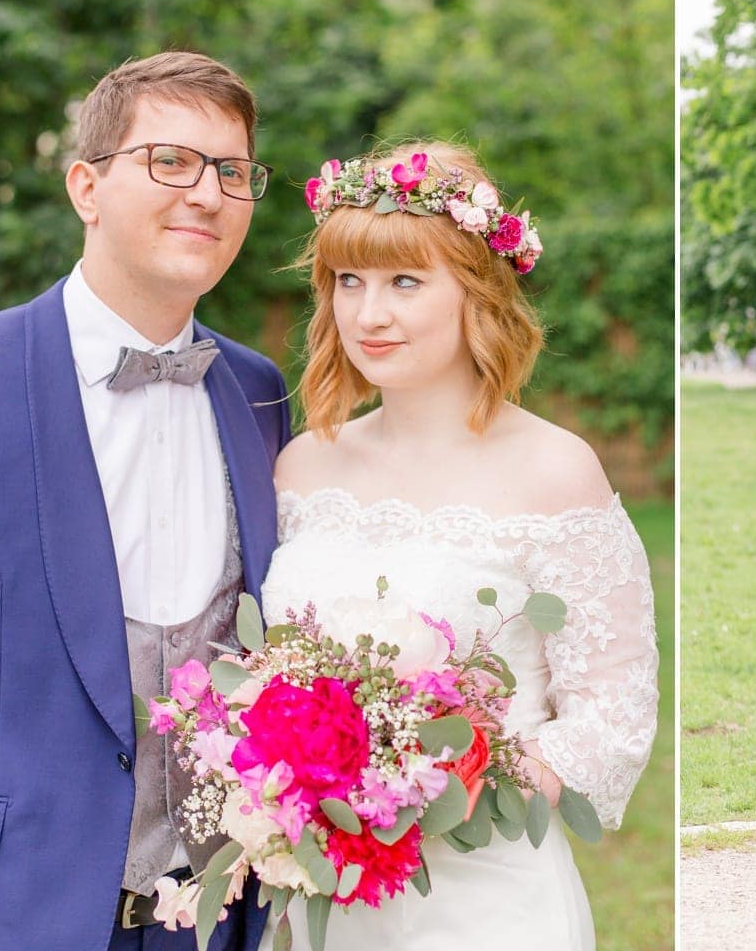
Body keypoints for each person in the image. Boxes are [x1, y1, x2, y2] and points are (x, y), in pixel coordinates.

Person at [0, 51, 290, 951]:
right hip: (4, 912)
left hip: (217, 917)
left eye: (232, 171)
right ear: (86, 186)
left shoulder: (259, 391)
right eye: (169, 160)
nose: (206, 193)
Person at [262, 140, 658, 950]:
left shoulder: (555, 468)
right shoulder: (304, 465)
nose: (369, 314)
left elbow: (614, 707)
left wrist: (444, 787)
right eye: (349, 281)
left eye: (405, 281)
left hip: (487, 901)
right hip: (322, 903)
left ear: (477, 289)